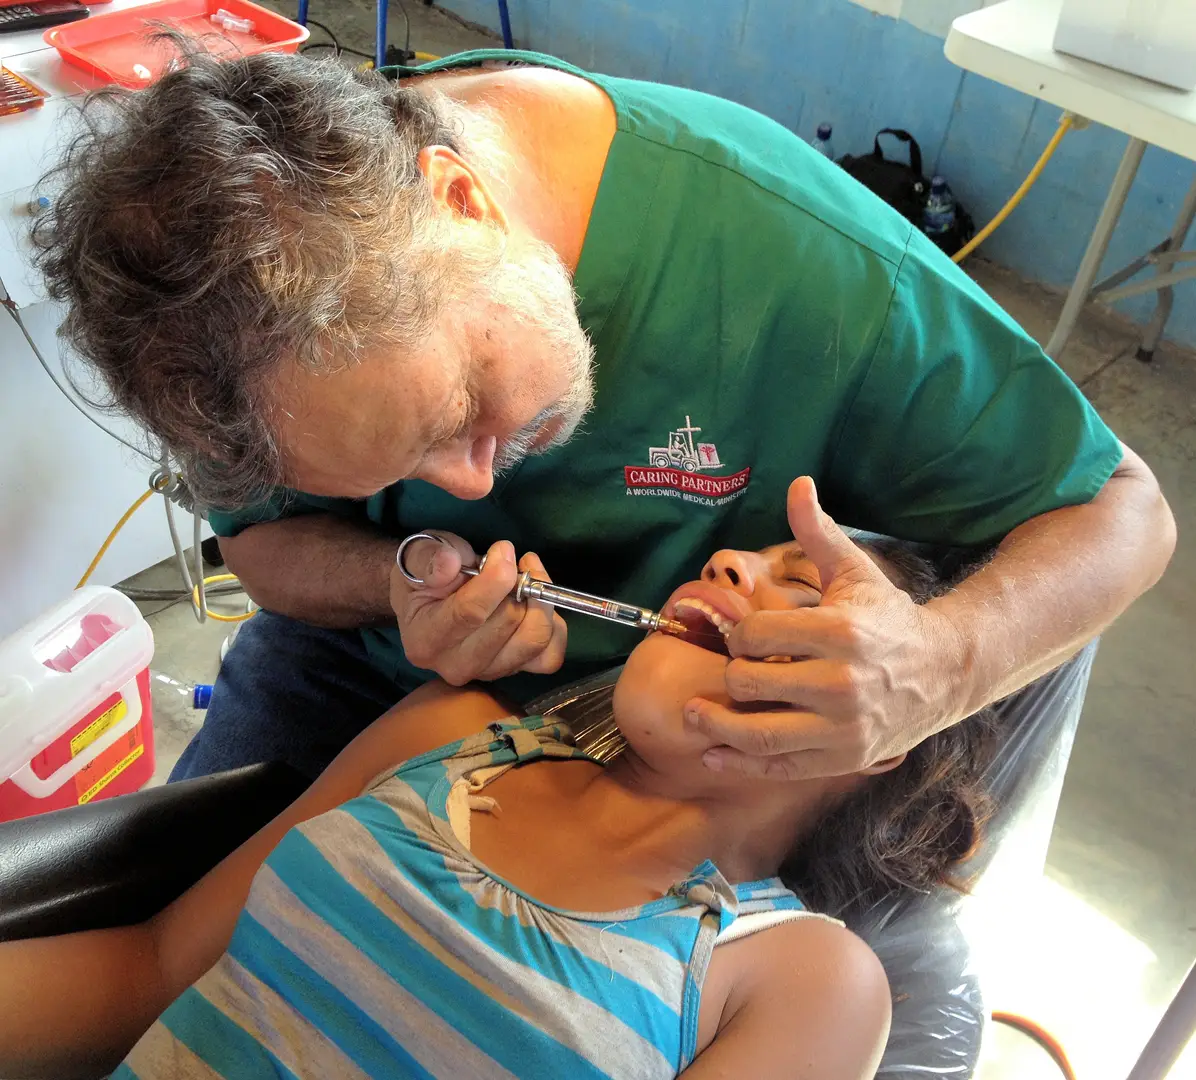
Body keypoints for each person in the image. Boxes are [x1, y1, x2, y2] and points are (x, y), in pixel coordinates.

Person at [33, 47, 1174, 786]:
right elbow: (265, 548)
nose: (470, 489)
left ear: (462, 201)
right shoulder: (197, 300)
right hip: (379, 683)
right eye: (388, 470)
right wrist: (392, 582)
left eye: (464, 410)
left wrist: (946, 659)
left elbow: (1125, 514)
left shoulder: (794, 261)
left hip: (711, 749)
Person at [0, 520, 996, 1080]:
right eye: (740, 555)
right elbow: (157, 962)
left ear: (887, 722)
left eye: (803, 588)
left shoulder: (801, 979)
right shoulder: (452, 734)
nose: (728, 563)